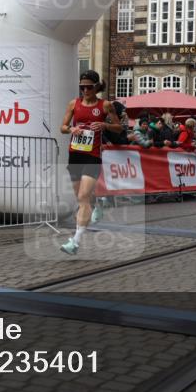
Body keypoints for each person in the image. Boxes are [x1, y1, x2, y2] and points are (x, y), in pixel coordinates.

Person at [58, 70, 122, 256]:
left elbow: (119, 128)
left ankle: (75, 241)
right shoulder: (74, 104)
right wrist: (72, 128)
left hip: (93, 156)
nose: (85, 90)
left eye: (88, 87)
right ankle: (98, 204)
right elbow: (62, 127)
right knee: (81, 196)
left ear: (95, 87)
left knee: (83, 197)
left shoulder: (105, 105)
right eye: (82, 87)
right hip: (75, 154)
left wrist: (105, 125)